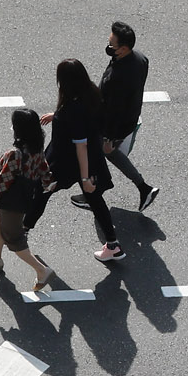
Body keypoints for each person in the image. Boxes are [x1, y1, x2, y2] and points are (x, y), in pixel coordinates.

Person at [39, 58, 121, 263]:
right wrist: (57, 115)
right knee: (95, 201)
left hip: (70, 162)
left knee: (42, 191)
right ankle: (113, 246)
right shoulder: (91, 94)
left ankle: (22, 230)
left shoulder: (73, 109)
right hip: (90, 161)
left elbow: (80, 145)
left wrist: (84, 178)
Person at [0, 108, 55, 296]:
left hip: (11, 201)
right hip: (22, 200)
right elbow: (44, 169)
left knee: (15, 240)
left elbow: (3, 181)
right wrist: (47, 183)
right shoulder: (36, 148)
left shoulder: (16, 154)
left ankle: (42, 271)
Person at [86, 22, 160, 213]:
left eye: (112, 45)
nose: (108, 47)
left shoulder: (118, 77)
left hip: (113, 126)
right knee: (106, 153)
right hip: (128, 119)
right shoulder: (140, 59)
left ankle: (96, 191)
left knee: (98, 152)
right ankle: (143, 188)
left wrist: (109, 137)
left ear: (124, 48)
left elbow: (114, 109)